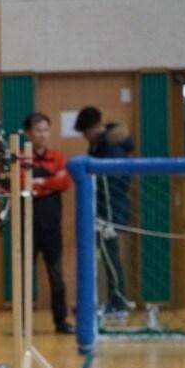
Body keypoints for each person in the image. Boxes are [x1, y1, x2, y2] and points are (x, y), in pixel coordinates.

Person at [73, 106, 134, 316]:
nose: (84, 137)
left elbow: (117, 182)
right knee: (105, 258)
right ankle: (107, 301)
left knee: (111, 258)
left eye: (85, 132)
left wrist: (107, 217)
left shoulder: (110, 148)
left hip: (109, 214)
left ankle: (118, 304)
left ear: (94, 128)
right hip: (101, 212)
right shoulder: (99, 146)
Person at [24, 112, 74, 333]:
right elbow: (19, 184)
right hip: (27, 227)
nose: (42, 135)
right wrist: (48, 183)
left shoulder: (59, 157)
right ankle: (23, 323)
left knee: (57, 277)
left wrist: (39, 182)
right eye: (38, 130)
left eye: (46, 130)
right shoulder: (22, 158)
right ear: (29, 133)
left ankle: (61, 321)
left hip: (51, 228)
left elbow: (64, 182)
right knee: (25, 276)